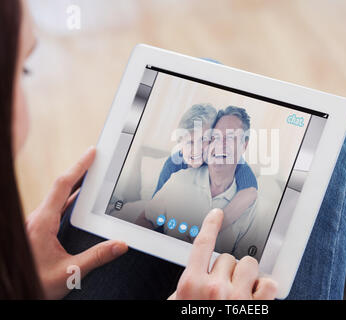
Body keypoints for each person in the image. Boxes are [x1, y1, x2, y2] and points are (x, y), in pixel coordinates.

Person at [0, 0, 277, 300]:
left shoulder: (244, 183)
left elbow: (240, 171)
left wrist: (16, 282)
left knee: (209, 69)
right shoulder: (177, 169)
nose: (210, 147)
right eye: (23, 70)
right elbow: (151, 212)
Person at [138, 106, 256, 255]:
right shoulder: (174, 166)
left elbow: (250, 191)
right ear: (180, 145)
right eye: (190, 143)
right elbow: (153, 214)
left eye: (204, 140)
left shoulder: (228, 162)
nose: (197, 150)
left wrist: (206, 231)